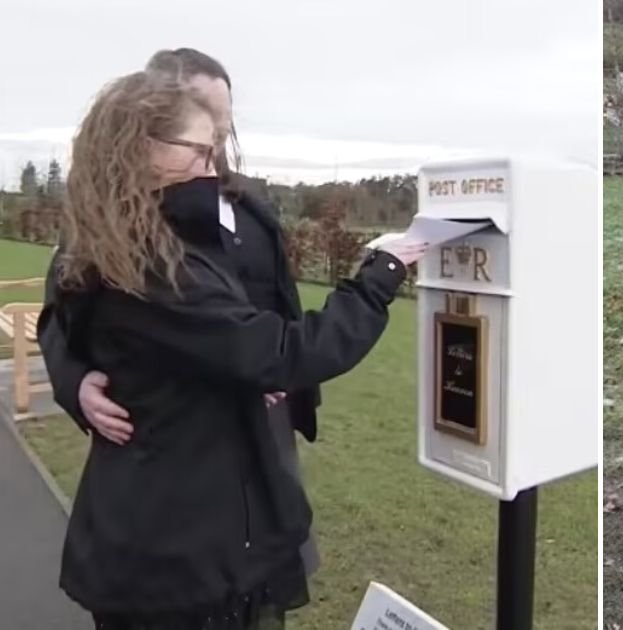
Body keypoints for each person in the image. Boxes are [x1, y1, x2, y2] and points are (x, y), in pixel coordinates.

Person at [47, 71, 425, 628]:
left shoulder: (123, 240)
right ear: (144, 148)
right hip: (177, 550)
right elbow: (284, 352)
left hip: (177, 514)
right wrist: (379, 275)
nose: (210, 164)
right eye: (201, 149)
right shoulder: (149, 267)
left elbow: (206, 345)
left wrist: (236, 366)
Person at [37, 48, 326, 576]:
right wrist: (76, 383)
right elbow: (59, 311)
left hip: (262, 414)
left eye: (224, 124)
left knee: (277, 559)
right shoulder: (109, 220)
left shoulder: (251, 206)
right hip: (180, 445)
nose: (216, 138)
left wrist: (285, 372)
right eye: (205, 121)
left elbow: (281, 302)